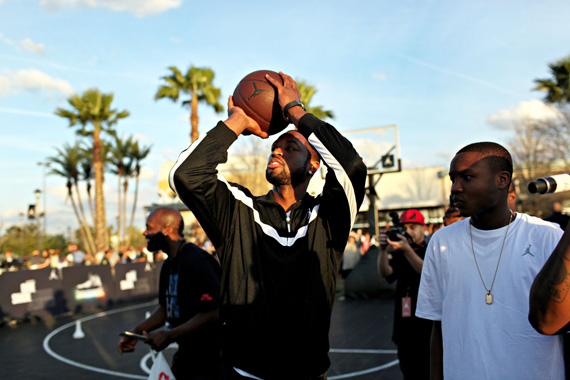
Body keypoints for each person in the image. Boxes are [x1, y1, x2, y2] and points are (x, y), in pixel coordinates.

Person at [169, 71, 367, 380]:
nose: (277, 151)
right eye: (275, 147)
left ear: (314, 164)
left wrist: (295, 111)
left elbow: (351, 166)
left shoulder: (329, 217)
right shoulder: (239, 211)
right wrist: (238, 121)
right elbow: (187, 174)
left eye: (290, 148)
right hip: (243, 374)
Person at [415, 142, 565, 380]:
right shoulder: (441, 241)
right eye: (453, 179)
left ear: (502, 180)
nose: (456, 188)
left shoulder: (547, 236)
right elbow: (438, 326)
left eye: (467, 177)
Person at [118, 207, 221, 380]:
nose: (145, 233)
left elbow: (214, 311)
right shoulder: (168, 265)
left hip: (209, 358)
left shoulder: (197, 260)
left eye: (149, 228)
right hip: (186, 355)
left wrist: (170, 335)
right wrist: (136, 332)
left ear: (167, 230)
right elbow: (166, 308)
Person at [377, 209, 432, 379]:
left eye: (413, 227)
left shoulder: (431, 248)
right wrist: (383, 250)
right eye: (405, 227)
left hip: (426, 326)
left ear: (424, 228)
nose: (408, 231)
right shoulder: (401, 252)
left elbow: (427, 273)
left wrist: (407, 249)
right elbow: (386, 273)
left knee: (427, 370)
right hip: (404, 326)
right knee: (408, 370)